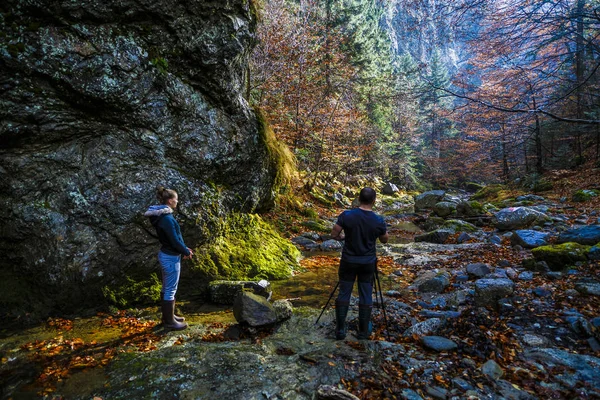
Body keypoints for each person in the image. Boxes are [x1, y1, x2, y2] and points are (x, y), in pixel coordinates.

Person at [331, 187, 388, 340]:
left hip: (348, 260)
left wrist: (343, 238)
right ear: (373, 201)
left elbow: (334, 233)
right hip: (367, 263)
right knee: (366, 293)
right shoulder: (378, 220)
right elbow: (384, 239)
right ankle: (363, 331)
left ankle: (341, 330)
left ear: (358, 198)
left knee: (344, 292)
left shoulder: (347, 215)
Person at [144, 187, 194, 330]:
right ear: (171, 201)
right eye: (176, 200)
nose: (177, 202)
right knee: (170, 289)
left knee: (168, 287)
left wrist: (184, 248)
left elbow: (176, 238)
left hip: (169, 254)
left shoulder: (164, 217)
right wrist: (184, 250)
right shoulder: (166, 219)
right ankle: (170, 322)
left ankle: (169, 316)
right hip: (170, 257)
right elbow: (173, 240)